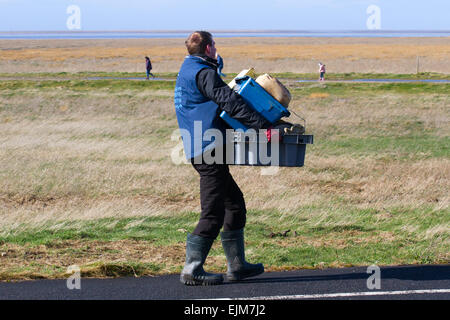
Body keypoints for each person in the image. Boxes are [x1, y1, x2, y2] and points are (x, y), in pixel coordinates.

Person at [174, 31, 269, 286]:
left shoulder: (190, 67)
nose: (216, 48)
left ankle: (236, 266)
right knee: (213, 212)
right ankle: (192, 270)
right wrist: (263, 126)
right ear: (207, 48)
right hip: (207, 148)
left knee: (234, 205)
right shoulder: (203, 73)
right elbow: (229, 101)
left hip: (203, 145)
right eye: (214, 45)